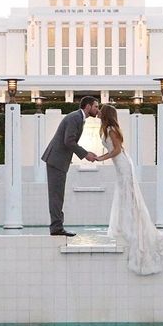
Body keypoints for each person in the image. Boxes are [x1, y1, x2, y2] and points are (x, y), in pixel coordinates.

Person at [96, 104, 163, 275]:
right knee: (123, 194)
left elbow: (117, 150)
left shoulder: (111, 129)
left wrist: (101, 157)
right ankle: (124, 225)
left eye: (100, 110)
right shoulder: (107, 128)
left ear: (105, 114)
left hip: (123, 164)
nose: (98, 112)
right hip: (119, 165)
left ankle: (132, 226)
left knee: (128, 195)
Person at [42, 96, 99, 236]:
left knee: (57, 195)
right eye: (96, 106)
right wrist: (86, 154)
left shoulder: (78, 118)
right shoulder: (75, 118)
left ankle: (57, 227)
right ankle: (56, 228)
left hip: (58, 160)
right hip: (56, 160)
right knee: (56, 196)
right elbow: (69, 141)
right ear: (88, 107)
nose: (98, 109)